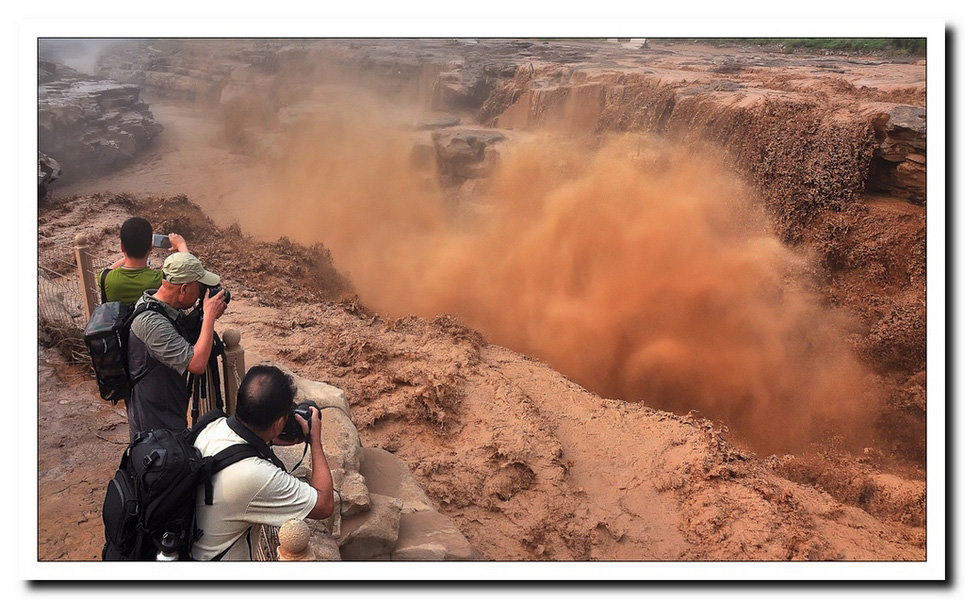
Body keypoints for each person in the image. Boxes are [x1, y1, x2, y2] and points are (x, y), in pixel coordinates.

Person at [191, 365, 335, 561]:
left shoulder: (211, 424)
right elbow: (324, 506)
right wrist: (315, 442)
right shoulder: (255, 475)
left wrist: (266, 440)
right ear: (277, 424)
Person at [126, 252, 226, 439]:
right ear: (184, 289)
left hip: (167, 413)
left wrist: (202, 316)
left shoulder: (163, 307)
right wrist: (209, 317)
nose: (200, 293)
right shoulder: (152, 322)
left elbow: (184, 333)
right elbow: (197, 364)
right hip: (154, 429)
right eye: (198, 287)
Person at [99, 216, 190, 305]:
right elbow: (190, 267)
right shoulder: (159, 280)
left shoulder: (105, 278)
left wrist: (132, 248)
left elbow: (109, 270)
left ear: (122, 247)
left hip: (116, 320)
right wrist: (181, 245)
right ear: (151, 246)